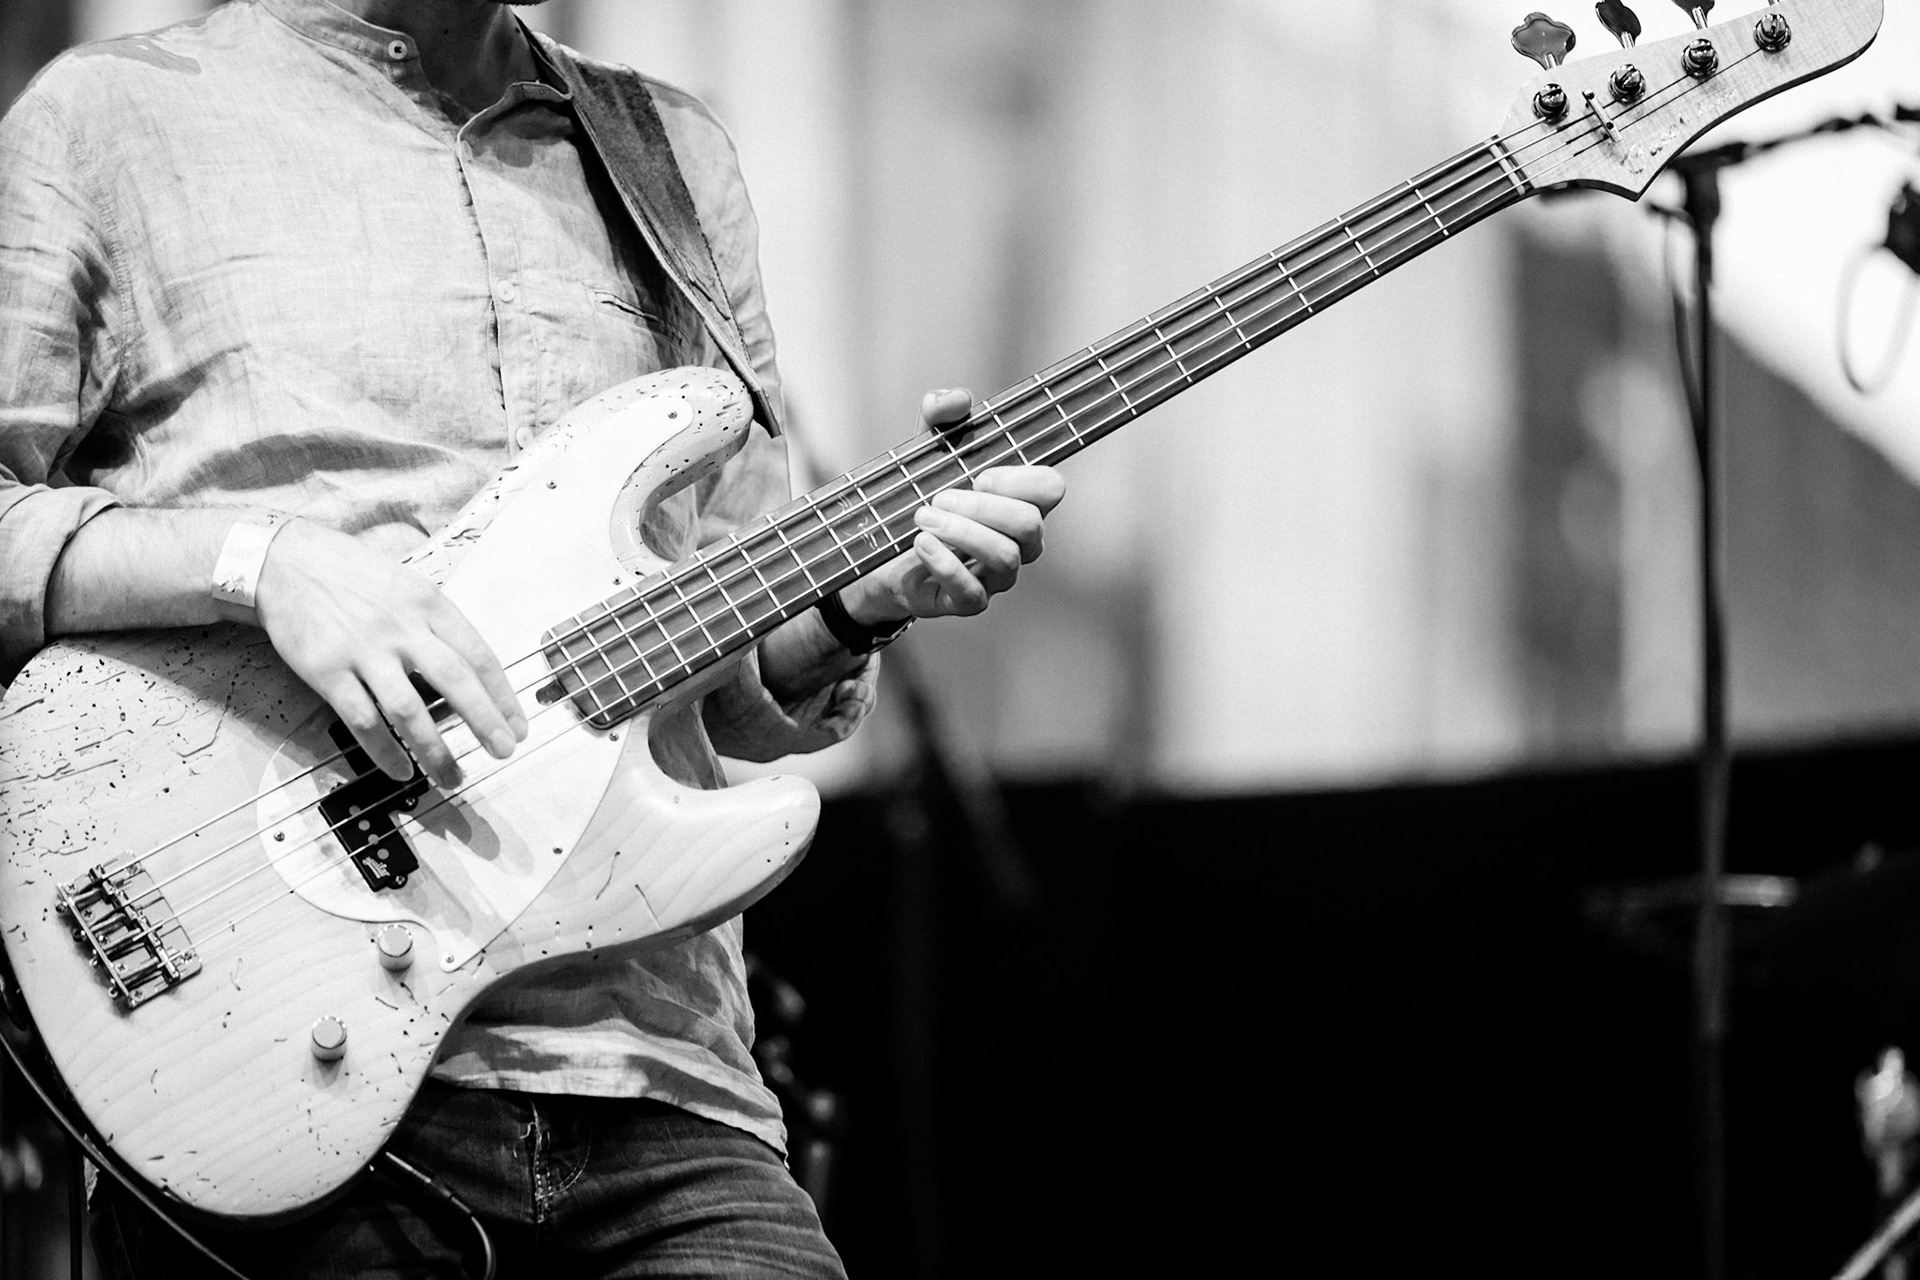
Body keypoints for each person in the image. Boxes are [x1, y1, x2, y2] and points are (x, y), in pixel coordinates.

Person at [0, 0, 1065, 1275]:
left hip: (659, 1066)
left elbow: (723, 683)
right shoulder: (114, 119)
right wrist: (260, 562)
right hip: (273, 1048)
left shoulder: (666, 155)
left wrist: (854, 601)